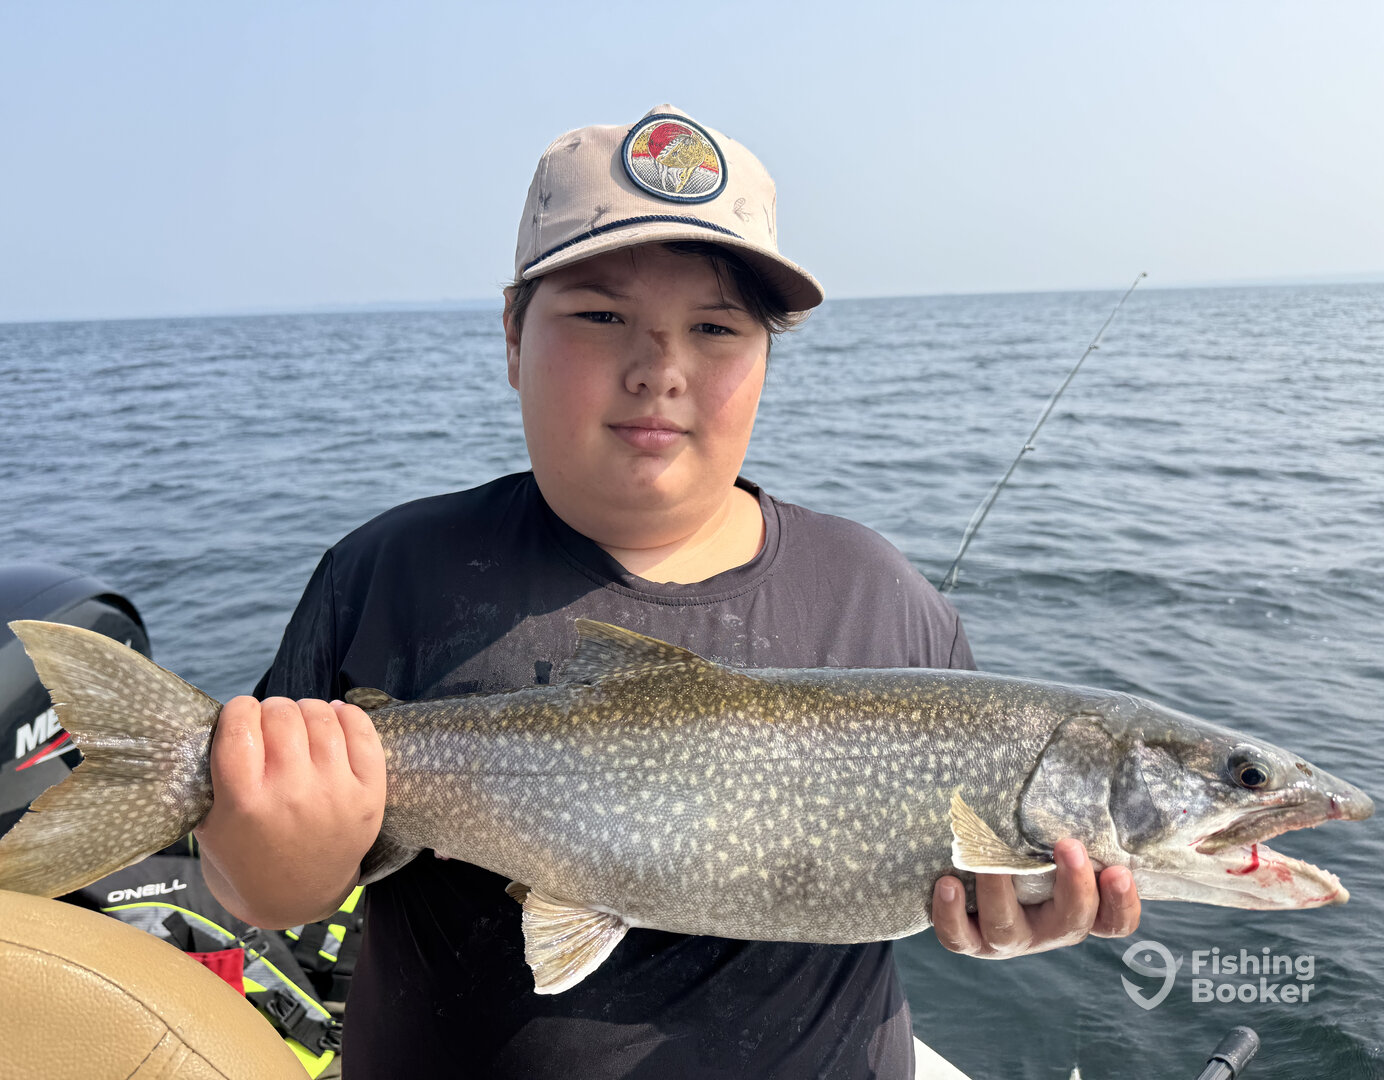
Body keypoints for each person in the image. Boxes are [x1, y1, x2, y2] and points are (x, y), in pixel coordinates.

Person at [193, 104, 1141, 1078]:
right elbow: (258, 891)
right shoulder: (390, 572)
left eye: (716, 328)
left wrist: (1009, 923)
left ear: (767, 358)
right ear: (513, 334)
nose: (660, 370)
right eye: (602, 317)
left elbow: (964, 896)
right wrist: (281, 852)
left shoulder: (885, 601)